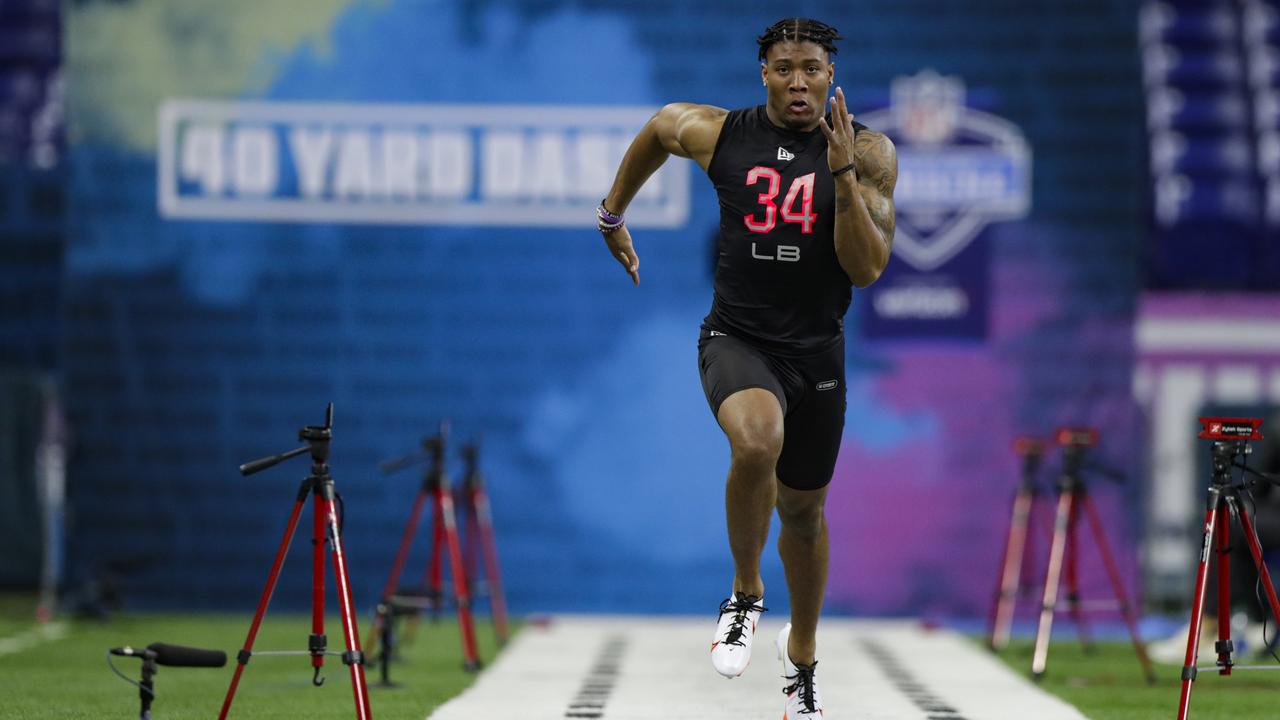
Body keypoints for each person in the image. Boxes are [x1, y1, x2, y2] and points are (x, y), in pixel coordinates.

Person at [595, 17, 896, 719]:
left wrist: (843, 172)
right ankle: (745, 594)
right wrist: (613, 216)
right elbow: (662, 127)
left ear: (831, 75)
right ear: (764, 72)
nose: (799, 81)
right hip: (738, 338)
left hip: (817, 352)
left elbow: (867, 267)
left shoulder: (871, 151)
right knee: (757, 441)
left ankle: (803, 661)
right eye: (785, 67)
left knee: (804, 512)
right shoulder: (724, 133)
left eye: (813, 69)